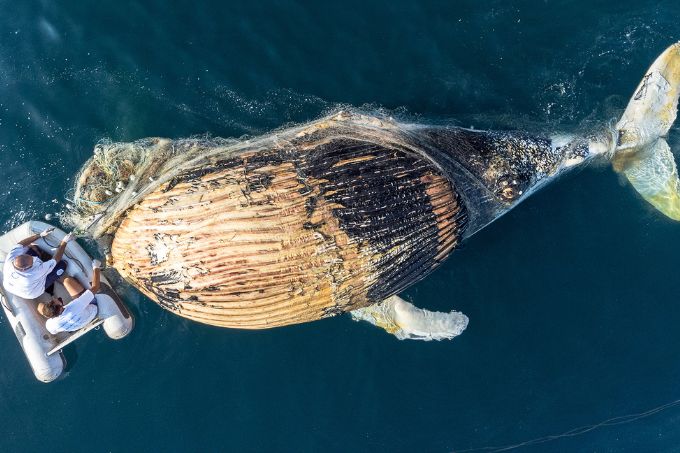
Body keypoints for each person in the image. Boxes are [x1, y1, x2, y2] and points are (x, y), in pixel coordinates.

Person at [2, 228, 74, 300]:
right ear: (25, 269)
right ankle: (45, 283)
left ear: (17, 257)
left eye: (29, 257)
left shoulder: (11, 258)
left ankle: (40, 259)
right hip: (33, 292)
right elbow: (55, 260)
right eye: (32, 262)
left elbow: (20, 244)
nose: (33, 258)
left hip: (14, 285)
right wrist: (64, 241)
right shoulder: (33, 274)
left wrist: (40, 235)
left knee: (34, 249)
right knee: (62, 265)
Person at [38, 260, 102, 334]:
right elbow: (95, 287)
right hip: (91, 308)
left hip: (78, 322)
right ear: (61, 307)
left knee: (40, 307)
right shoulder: (75, 306)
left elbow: (54, 332)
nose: (54, 299)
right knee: (67, 281)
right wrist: (96, 267)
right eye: (58, 300)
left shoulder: (50, 325)